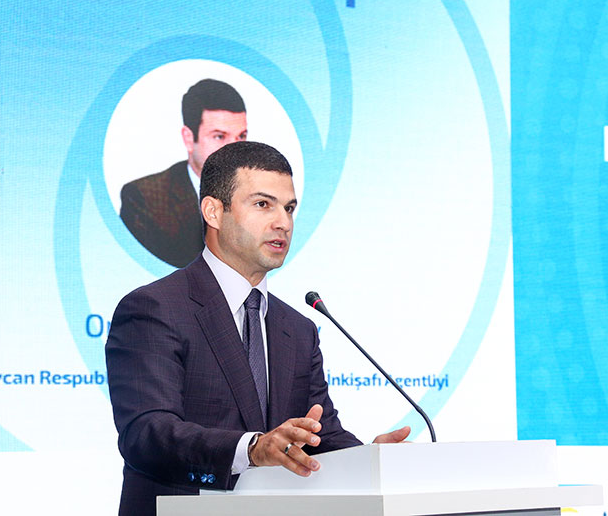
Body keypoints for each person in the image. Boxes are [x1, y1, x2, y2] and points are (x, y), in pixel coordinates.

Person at [106, 141, 411, 516]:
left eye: (289, 208)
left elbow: (319, 437)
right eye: (263, 204)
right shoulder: (156, 309)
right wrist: (250, 448)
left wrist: (371, 461)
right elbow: (147, 434)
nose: (283, 222)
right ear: (213, 211)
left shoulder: (297, 328)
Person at [119, 78, 248, 268]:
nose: (234, 150)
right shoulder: (145, 198)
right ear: (189, 139)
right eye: (219, 136)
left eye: (241, 136)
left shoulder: (261, 195)